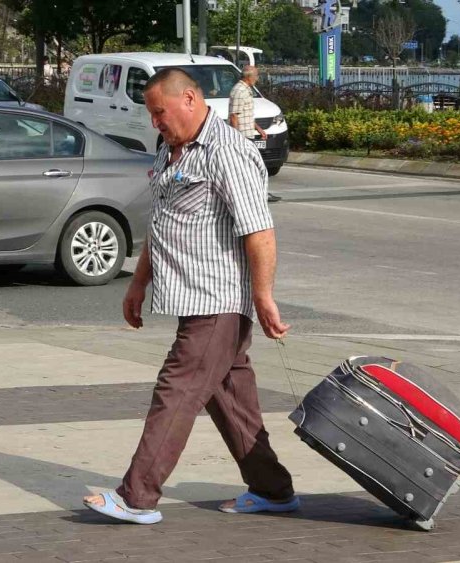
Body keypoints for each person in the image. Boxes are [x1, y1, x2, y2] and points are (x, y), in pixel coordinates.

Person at [82, 68, 298, 524]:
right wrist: (139, 282)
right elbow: (162, 221)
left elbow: (258, 230)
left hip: (216, 300)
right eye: (151, 114)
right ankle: (272, 490)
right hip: (189, 298)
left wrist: (263, 297)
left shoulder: (228, 151)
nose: (155, 122)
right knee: (231, 400)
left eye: (160, 112)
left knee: (175, 391)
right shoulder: (171, 149)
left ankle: (137, 496)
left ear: (190, 99)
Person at [229, 65, 281, 203]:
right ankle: (259, 194)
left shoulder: (246, 90)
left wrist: (258, 128)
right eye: (256, 76)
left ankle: (256, 193)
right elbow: (234, 116)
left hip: (248, 134)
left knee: (251, 166)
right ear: (248, 77)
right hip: (242, 137)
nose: (257, 79)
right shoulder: (239, 91)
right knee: (253, 166)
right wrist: (236, 138)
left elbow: (246, 114)